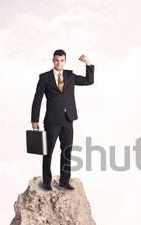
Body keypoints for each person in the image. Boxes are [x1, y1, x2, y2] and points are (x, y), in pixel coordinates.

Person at [31, 49, 94, 191]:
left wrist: (88, 63)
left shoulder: (70, 76)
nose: (59, 63)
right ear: (53, 60)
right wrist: (35, 119)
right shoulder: (45, 78)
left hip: (68, 119)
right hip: (52, 121)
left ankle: (64, 181)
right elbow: (37, 99)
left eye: (62, 60)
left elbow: (89, 81)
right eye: (56, 60)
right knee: (48, 152)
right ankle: (47, 181)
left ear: (65, 61)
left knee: (67, 151)